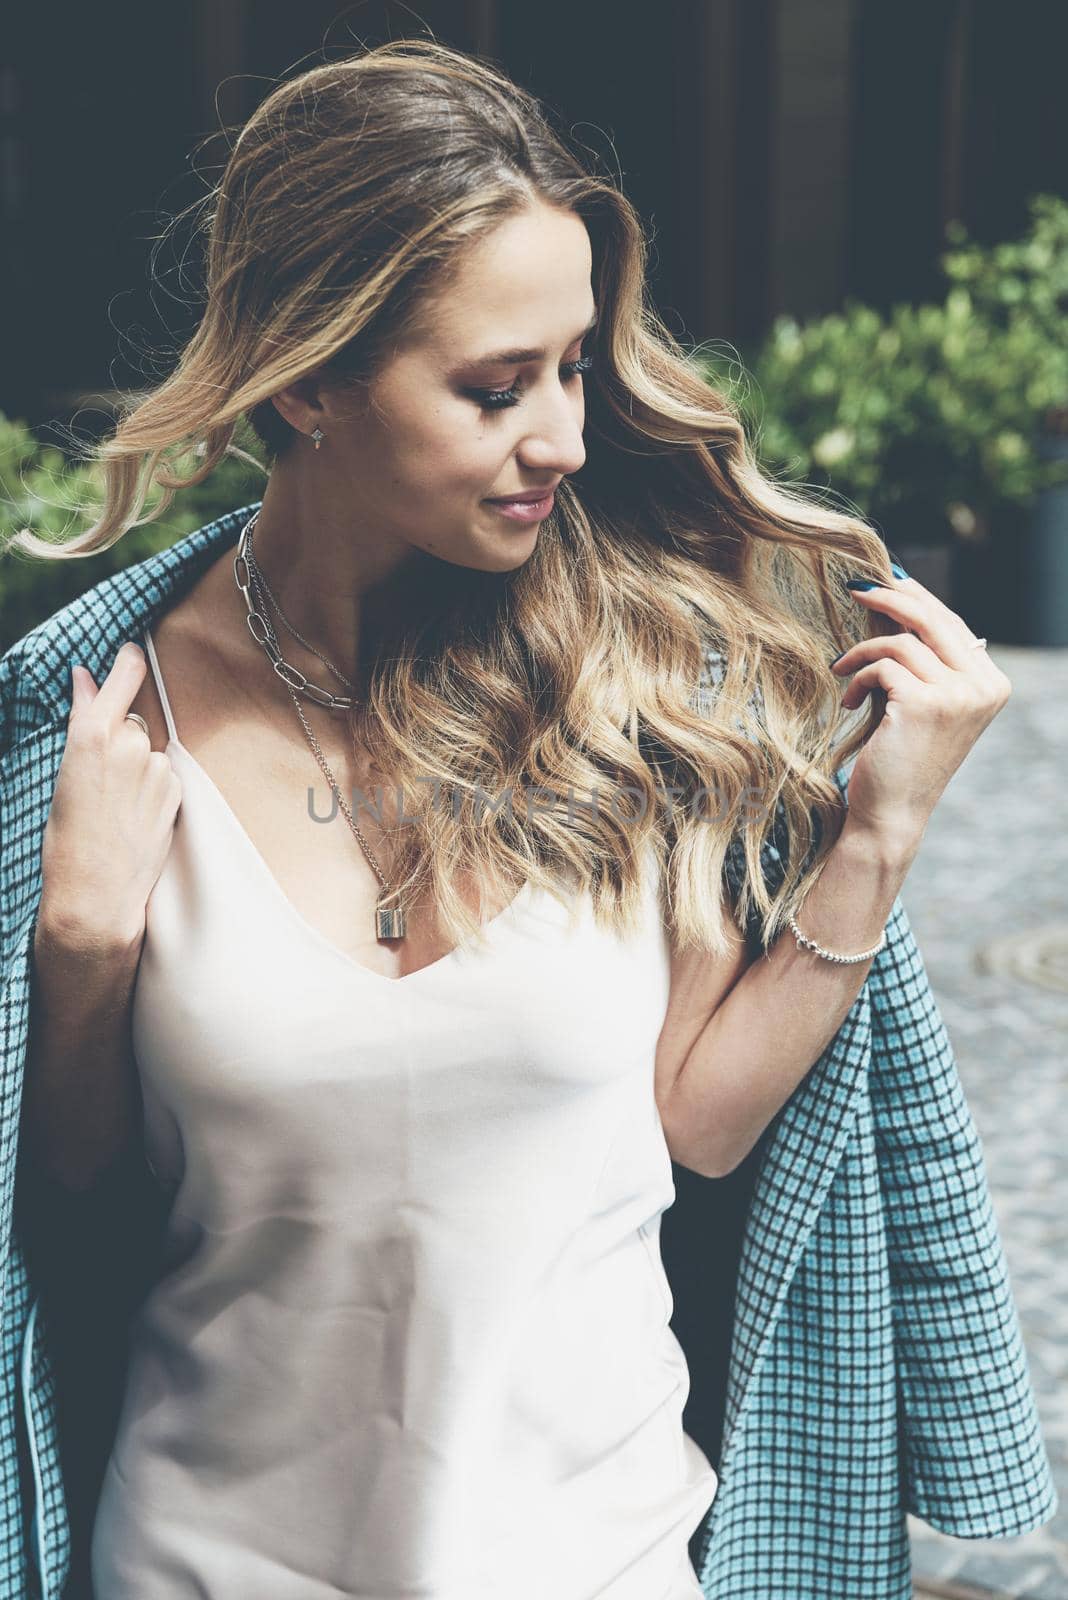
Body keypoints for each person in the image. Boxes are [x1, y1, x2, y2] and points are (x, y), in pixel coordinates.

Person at [0, 37, 1055, 1600]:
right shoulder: (98, 719)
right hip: (205, 1565)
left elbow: (690, 1120)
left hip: (604, 1560)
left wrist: (879, 834)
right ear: (310, 380)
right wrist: (78, 943)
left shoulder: (641, 681)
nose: (561, 435)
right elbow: (69, 1217)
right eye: (496, 389)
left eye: (571, 367)